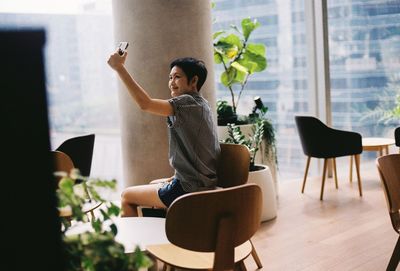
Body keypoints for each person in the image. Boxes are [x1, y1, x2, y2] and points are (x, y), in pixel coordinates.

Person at [107, 49, 221, 217]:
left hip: (188, 188)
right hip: (200, 182)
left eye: (177, 77)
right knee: (154, 183)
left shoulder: (186, 103)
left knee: (126, 196)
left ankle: (133, 243)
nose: (171, 82)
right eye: (170, 77)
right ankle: (167, 230)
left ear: (194, 81)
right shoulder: (201, 104)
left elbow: (145, 104)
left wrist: (119, 68)